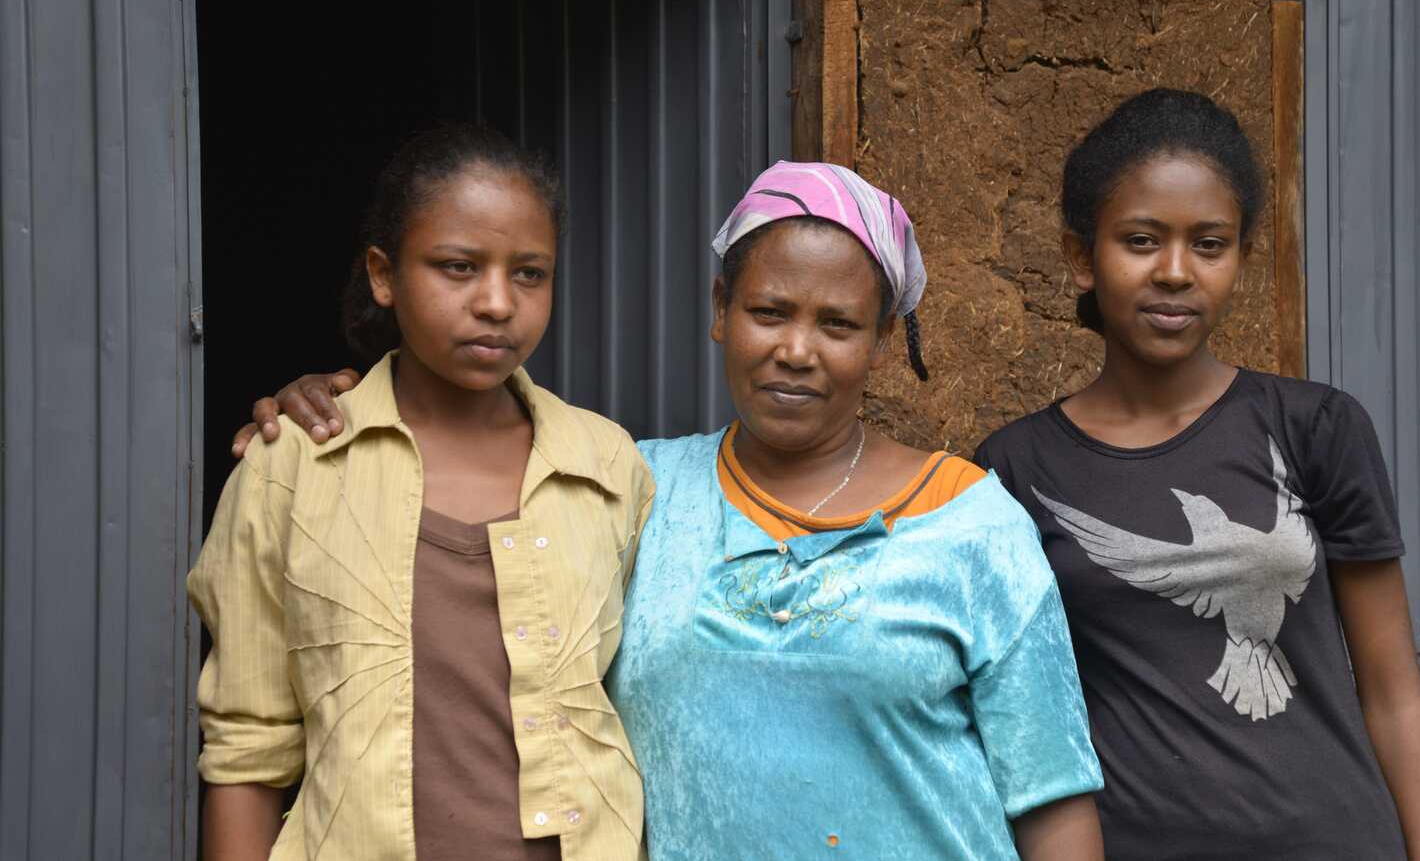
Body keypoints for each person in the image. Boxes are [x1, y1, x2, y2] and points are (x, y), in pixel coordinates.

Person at [237, 161, 1106, 859]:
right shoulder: (631, 490)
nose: (797, 350)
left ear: (882, 342)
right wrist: (332, 405)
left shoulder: (972, 526)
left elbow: (1051, 797)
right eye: (768, 311)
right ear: (722, 311)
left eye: (838, 325)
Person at [973, 88, 1420, 859]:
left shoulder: (1317, 429)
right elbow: (1019, 717)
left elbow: (1394, 692)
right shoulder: (1016, 469)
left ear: (1243, 260)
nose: (1174, 271)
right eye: (1140, 241)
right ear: (1079, 258)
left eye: (1209, 243)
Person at [190, 123, 652, 861]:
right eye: (459, 267)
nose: (498, 302)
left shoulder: (609, 468)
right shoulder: (294, 468)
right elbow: (247, 749)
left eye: (530, 273)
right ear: (384, 274)